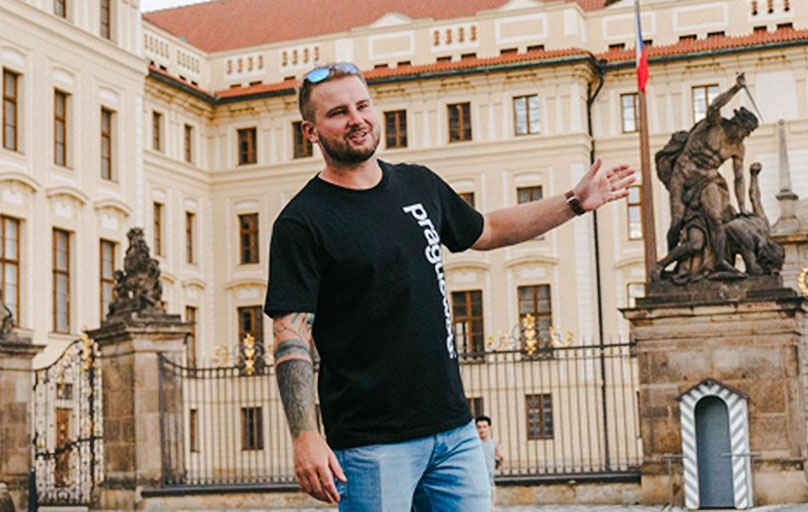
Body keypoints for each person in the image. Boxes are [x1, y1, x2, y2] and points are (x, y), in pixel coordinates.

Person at [266, 63, 636, 511]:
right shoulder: (302, 221)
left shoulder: (418, 184)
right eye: (339, 112)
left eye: (363, 105)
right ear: (311, 131)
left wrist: (574, 203)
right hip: (372, 444)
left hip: (455, 431)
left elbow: (489, 230)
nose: (356, 119)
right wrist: (305, 435)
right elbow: (291, 337)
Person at [472, 416, 502, 504]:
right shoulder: (472, 445)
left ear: (489, 427)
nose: (482, 430)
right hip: (475, 485)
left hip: (490, 484)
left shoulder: (494, 444)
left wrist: (501, 458)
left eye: (484, 427)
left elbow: (497, 465)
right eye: (479, 427)